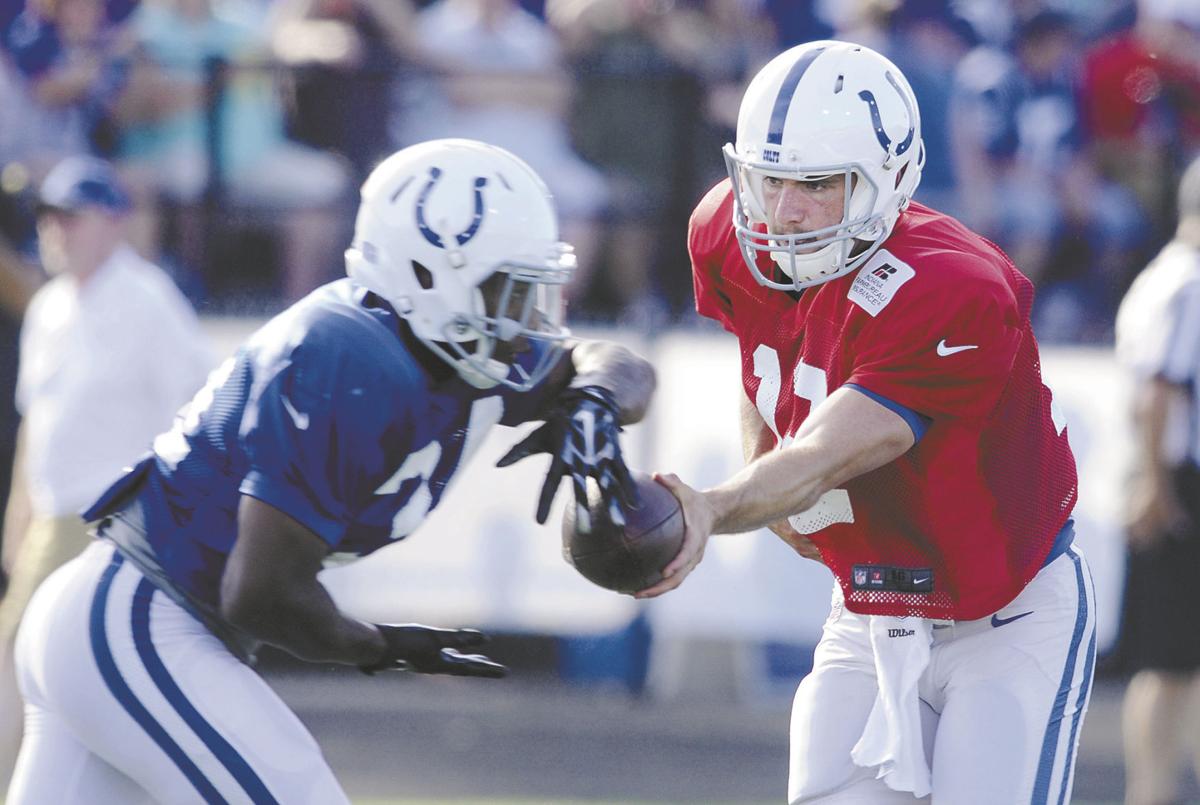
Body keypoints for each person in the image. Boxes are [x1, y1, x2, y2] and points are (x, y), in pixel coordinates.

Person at [5, 138, 655, 803]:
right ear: (432, 274)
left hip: (115, 620)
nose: (525, 322)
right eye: (508, 290)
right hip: (142, 620)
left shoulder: (447, 347)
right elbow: (261, 591)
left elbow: (617, 363)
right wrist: (381, 647)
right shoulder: (350, 355)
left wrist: (596, 400)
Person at [642, 41, 1096, 804]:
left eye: (818, 183)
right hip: (871, 613)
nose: (784, 211)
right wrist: (762, 462)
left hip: (1006, 618)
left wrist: (716, 505)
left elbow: (831, 448)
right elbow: (763, 353)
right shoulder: (725, 229)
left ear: (891, 177)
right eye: (769, 179)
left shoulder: (953, 286)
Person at [0, 155, 213, 786]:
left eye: (72, 216)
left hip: (119, 519)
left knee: (41, 660)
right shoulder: (49, 307)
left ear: (114, 222)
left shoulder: (148, 299)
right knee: (28, 662)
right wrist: (18, 524)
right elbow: (37, 428)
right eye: (49, 217)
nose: (56, 230)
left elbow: (198, 412)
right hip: (55, 520)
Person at [1113, 154, 1200, 805]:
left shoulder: (1161, 276)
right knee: (1169, 661)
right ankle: (1151, 792)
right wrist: (1157, 486)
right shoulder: (1188, 282)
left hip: (1159, 474)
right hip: (1177, 482)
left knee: (1175, 661)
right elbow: (1158, 393)